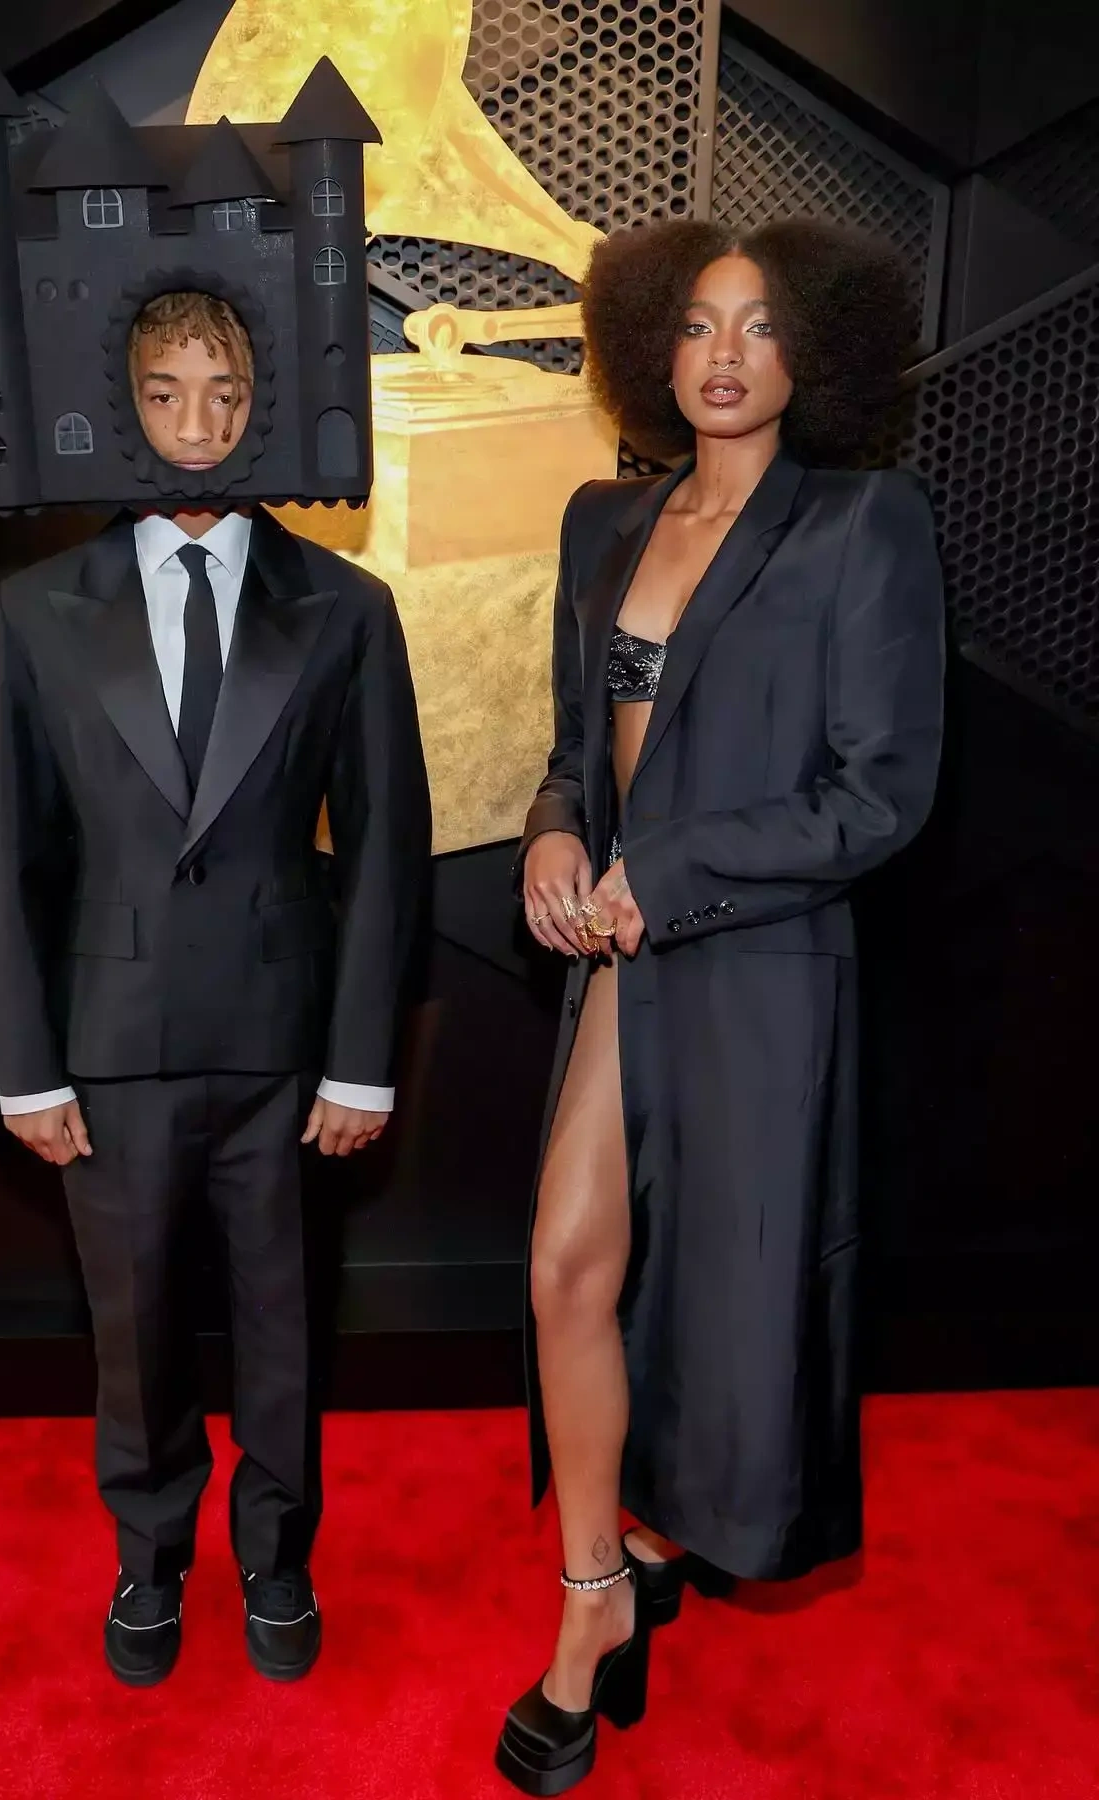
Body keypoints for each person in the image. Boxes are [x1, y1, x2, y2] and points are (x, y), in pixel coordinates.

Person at [495, 220, 946, 1795]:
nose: (726, 353)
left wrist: (665, 871)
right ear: (653, 349)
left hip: (756, 961)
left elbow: (879, 796)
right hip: (623, 951)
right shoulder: (602, 521)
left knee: (725, 1300)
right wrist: (555, 832)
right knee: (567, 1266)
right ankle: (594, 1592)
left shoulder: (864, 526)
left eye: (759, 324)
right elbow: (578, 748)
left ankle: (643, 1557)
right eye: (697, 324)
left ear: (812, 348)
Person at [0, 290, 430, 1688]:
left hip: (286, 1049)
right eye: (166, 393)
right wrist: (26, 1069)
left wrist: (362, 1059)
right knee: (137, 1329)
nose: (197, 424)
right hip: (106, 1047)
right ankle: (149, 1558)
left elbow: (387, 848)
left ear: (261, 408)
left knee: (285, 1324)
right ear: (124, 406)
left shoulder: (346, 607)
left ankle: (279, 1560)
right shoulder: (36, 611)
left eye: (224, 394)